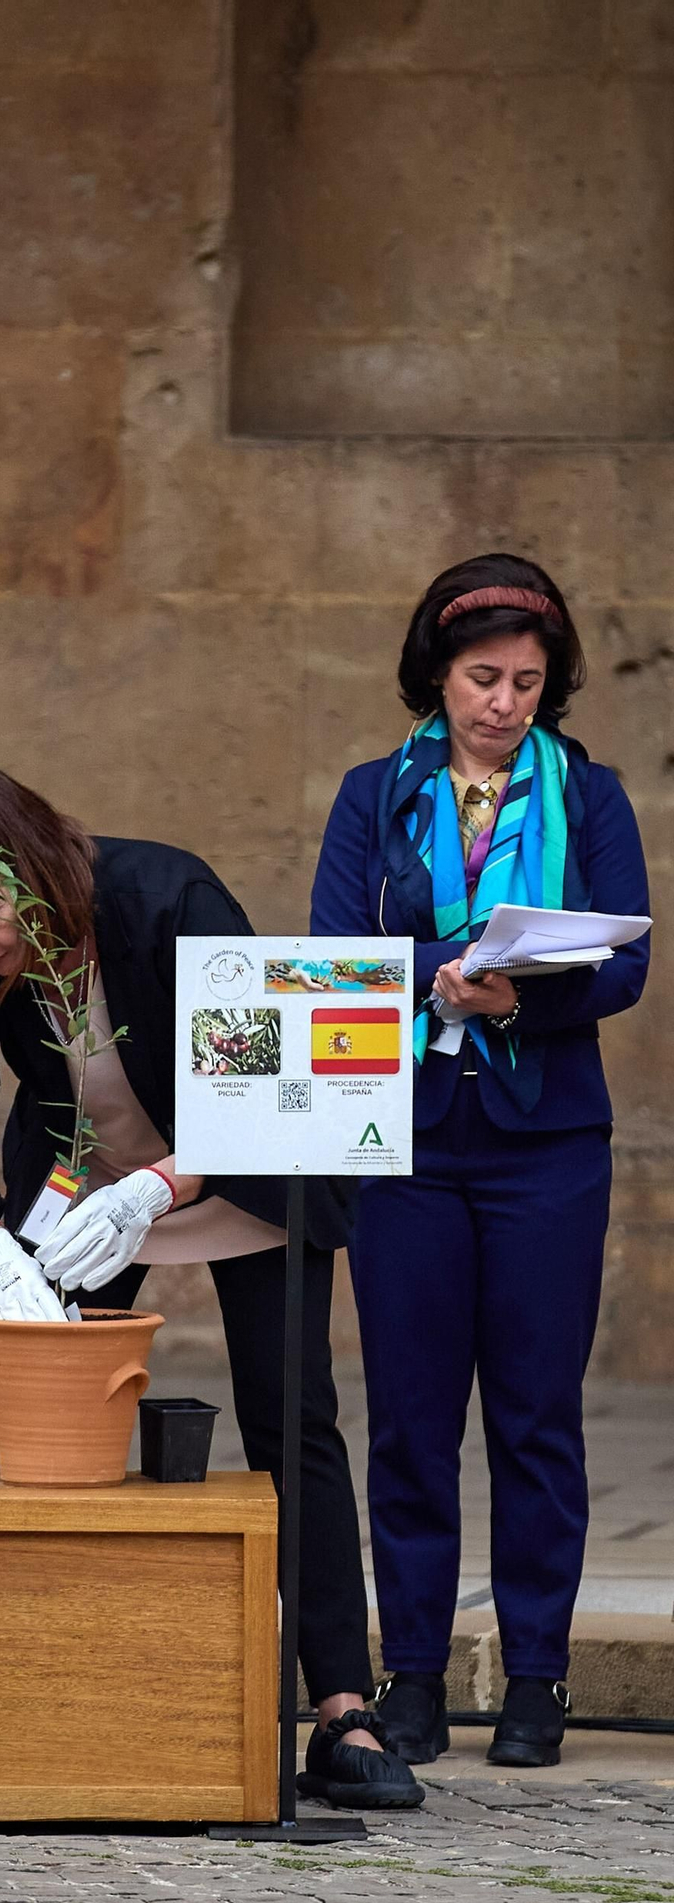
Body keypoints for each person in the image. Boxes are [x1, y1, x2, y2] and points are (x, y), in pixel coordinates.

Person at [0, 765, 423, 1811]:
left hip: (233, 1169)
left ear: (31, 869)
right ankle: (72, 1689)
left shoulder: (167, 896)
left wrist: (159, 1185)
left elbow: (259, 1079)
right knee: (56, 1426)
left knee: (291, 1415)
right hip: (80, 1192)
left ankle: (341, 1709)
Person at [311, 552, 651, 1770]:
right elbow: (334, 953)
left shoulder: (589, 794)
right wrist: (444, 972)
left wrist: (520, 998)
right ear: (436, 674)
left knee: (535, 1415)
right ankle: (409, 1673)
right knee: (410, 1417)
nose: (502, 702)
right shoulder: (375, 793)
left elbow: (626, 959)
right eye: (480, 678)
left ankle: (537, 1677)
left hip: (545, 1143)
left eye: (525, 681)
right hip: (403, 1140)